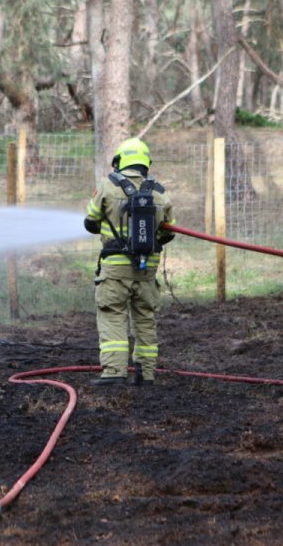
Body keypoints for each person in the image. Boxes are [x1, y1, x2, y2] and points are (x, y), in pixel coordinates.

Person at [83, 137, 175, 387]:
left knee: (113, 314)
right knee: (145, 317)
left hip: (115, 269)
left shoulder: (108, 186)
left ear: (119, 162)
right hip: (147, 271)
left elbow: (90, 221)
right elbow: (168, 233)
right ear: (146, 163)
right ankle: (146, 374)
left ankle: (114, 371)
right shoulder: (160, 193)